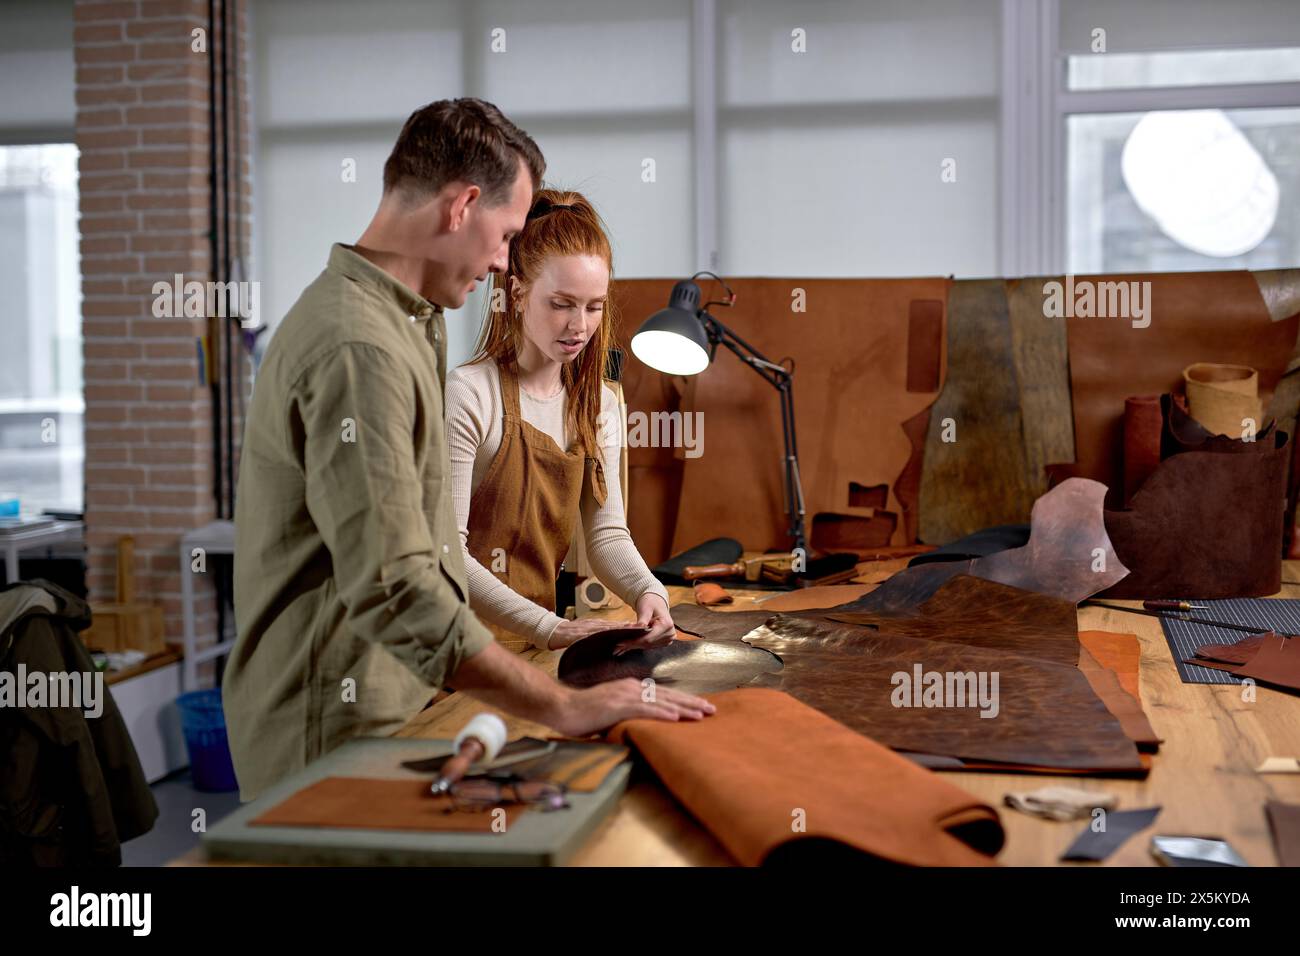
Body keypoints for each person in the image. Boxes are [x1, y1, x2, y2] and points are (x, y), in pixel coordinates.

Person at [226, 99, 712, 802]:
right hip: (332, 723)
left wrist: (638, 599)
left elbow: (432, 558)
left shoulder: (400, 326)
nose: (498, 264)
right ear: (463, 206)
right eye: (507, 234)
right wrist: (563, 703)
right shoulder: (361, 346)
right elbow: (398, 587)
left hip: (397, 702)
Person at [445, 189, 675, 653]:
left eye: (594, 306)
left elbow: (607, 535)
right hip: (457, 653)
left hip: (537, 648)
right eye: (561, 304)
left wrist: (649, 592)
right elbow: (447, 555)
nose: (580, 327)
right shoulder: (469, 394)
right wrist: (549, 628)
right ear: (517, 292)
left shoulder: (598, 406)